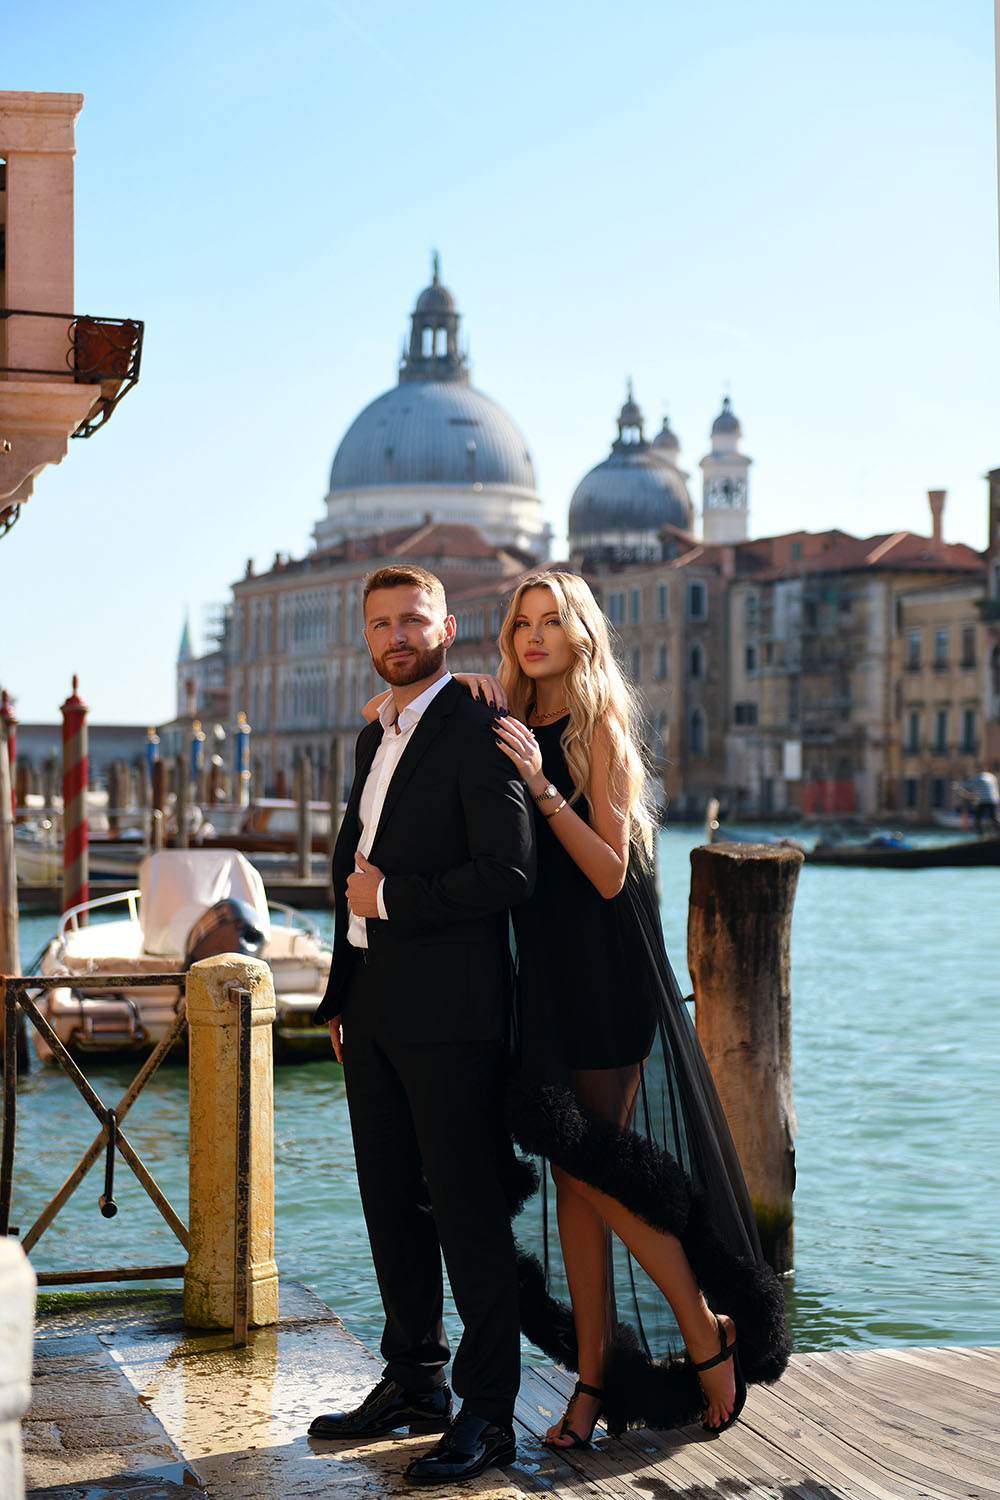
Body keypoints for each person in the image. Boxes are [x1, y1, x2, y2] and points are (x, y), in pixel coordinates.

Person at [489, 570, 789, 1445]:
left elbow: (609, 871)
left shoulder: (600, 730)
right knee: (572, 1178)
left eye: (551, 621)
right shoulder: (510, 723)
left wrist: (542, 786)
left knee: (591, 1171)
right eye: (521, 623)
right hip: (542, 977)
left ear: (581, 635)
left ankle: (700, 1331)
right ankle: (596, 1379)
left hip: (605, 972)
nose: (534, 635)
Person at [308, 564, 535, 1486]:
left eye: (413, 620)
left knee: (468, 1214)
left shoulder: (478, 727)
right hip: (373, 1006)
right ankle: (414, 1382)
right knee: (391, 1203)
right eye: (381, 624)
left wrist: (394, 899)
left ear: (448, 628)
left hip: (452, 1014)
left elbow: (509, 871)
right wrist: (341, 995)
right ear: (365, 637)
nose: (397, 636)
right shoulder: (378, 732)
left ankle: (489, 1415)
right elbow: (353, 864)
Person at [963, 767, 1000, 836]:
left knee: (978, 819)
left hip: (983, 801)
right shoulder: (992, 777)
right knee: (993, 818)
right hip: (994, 800)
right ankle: (998, 832)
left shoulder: (979, 778)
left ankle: (981, 835)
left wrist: (956, 785)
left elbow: (967, 785)